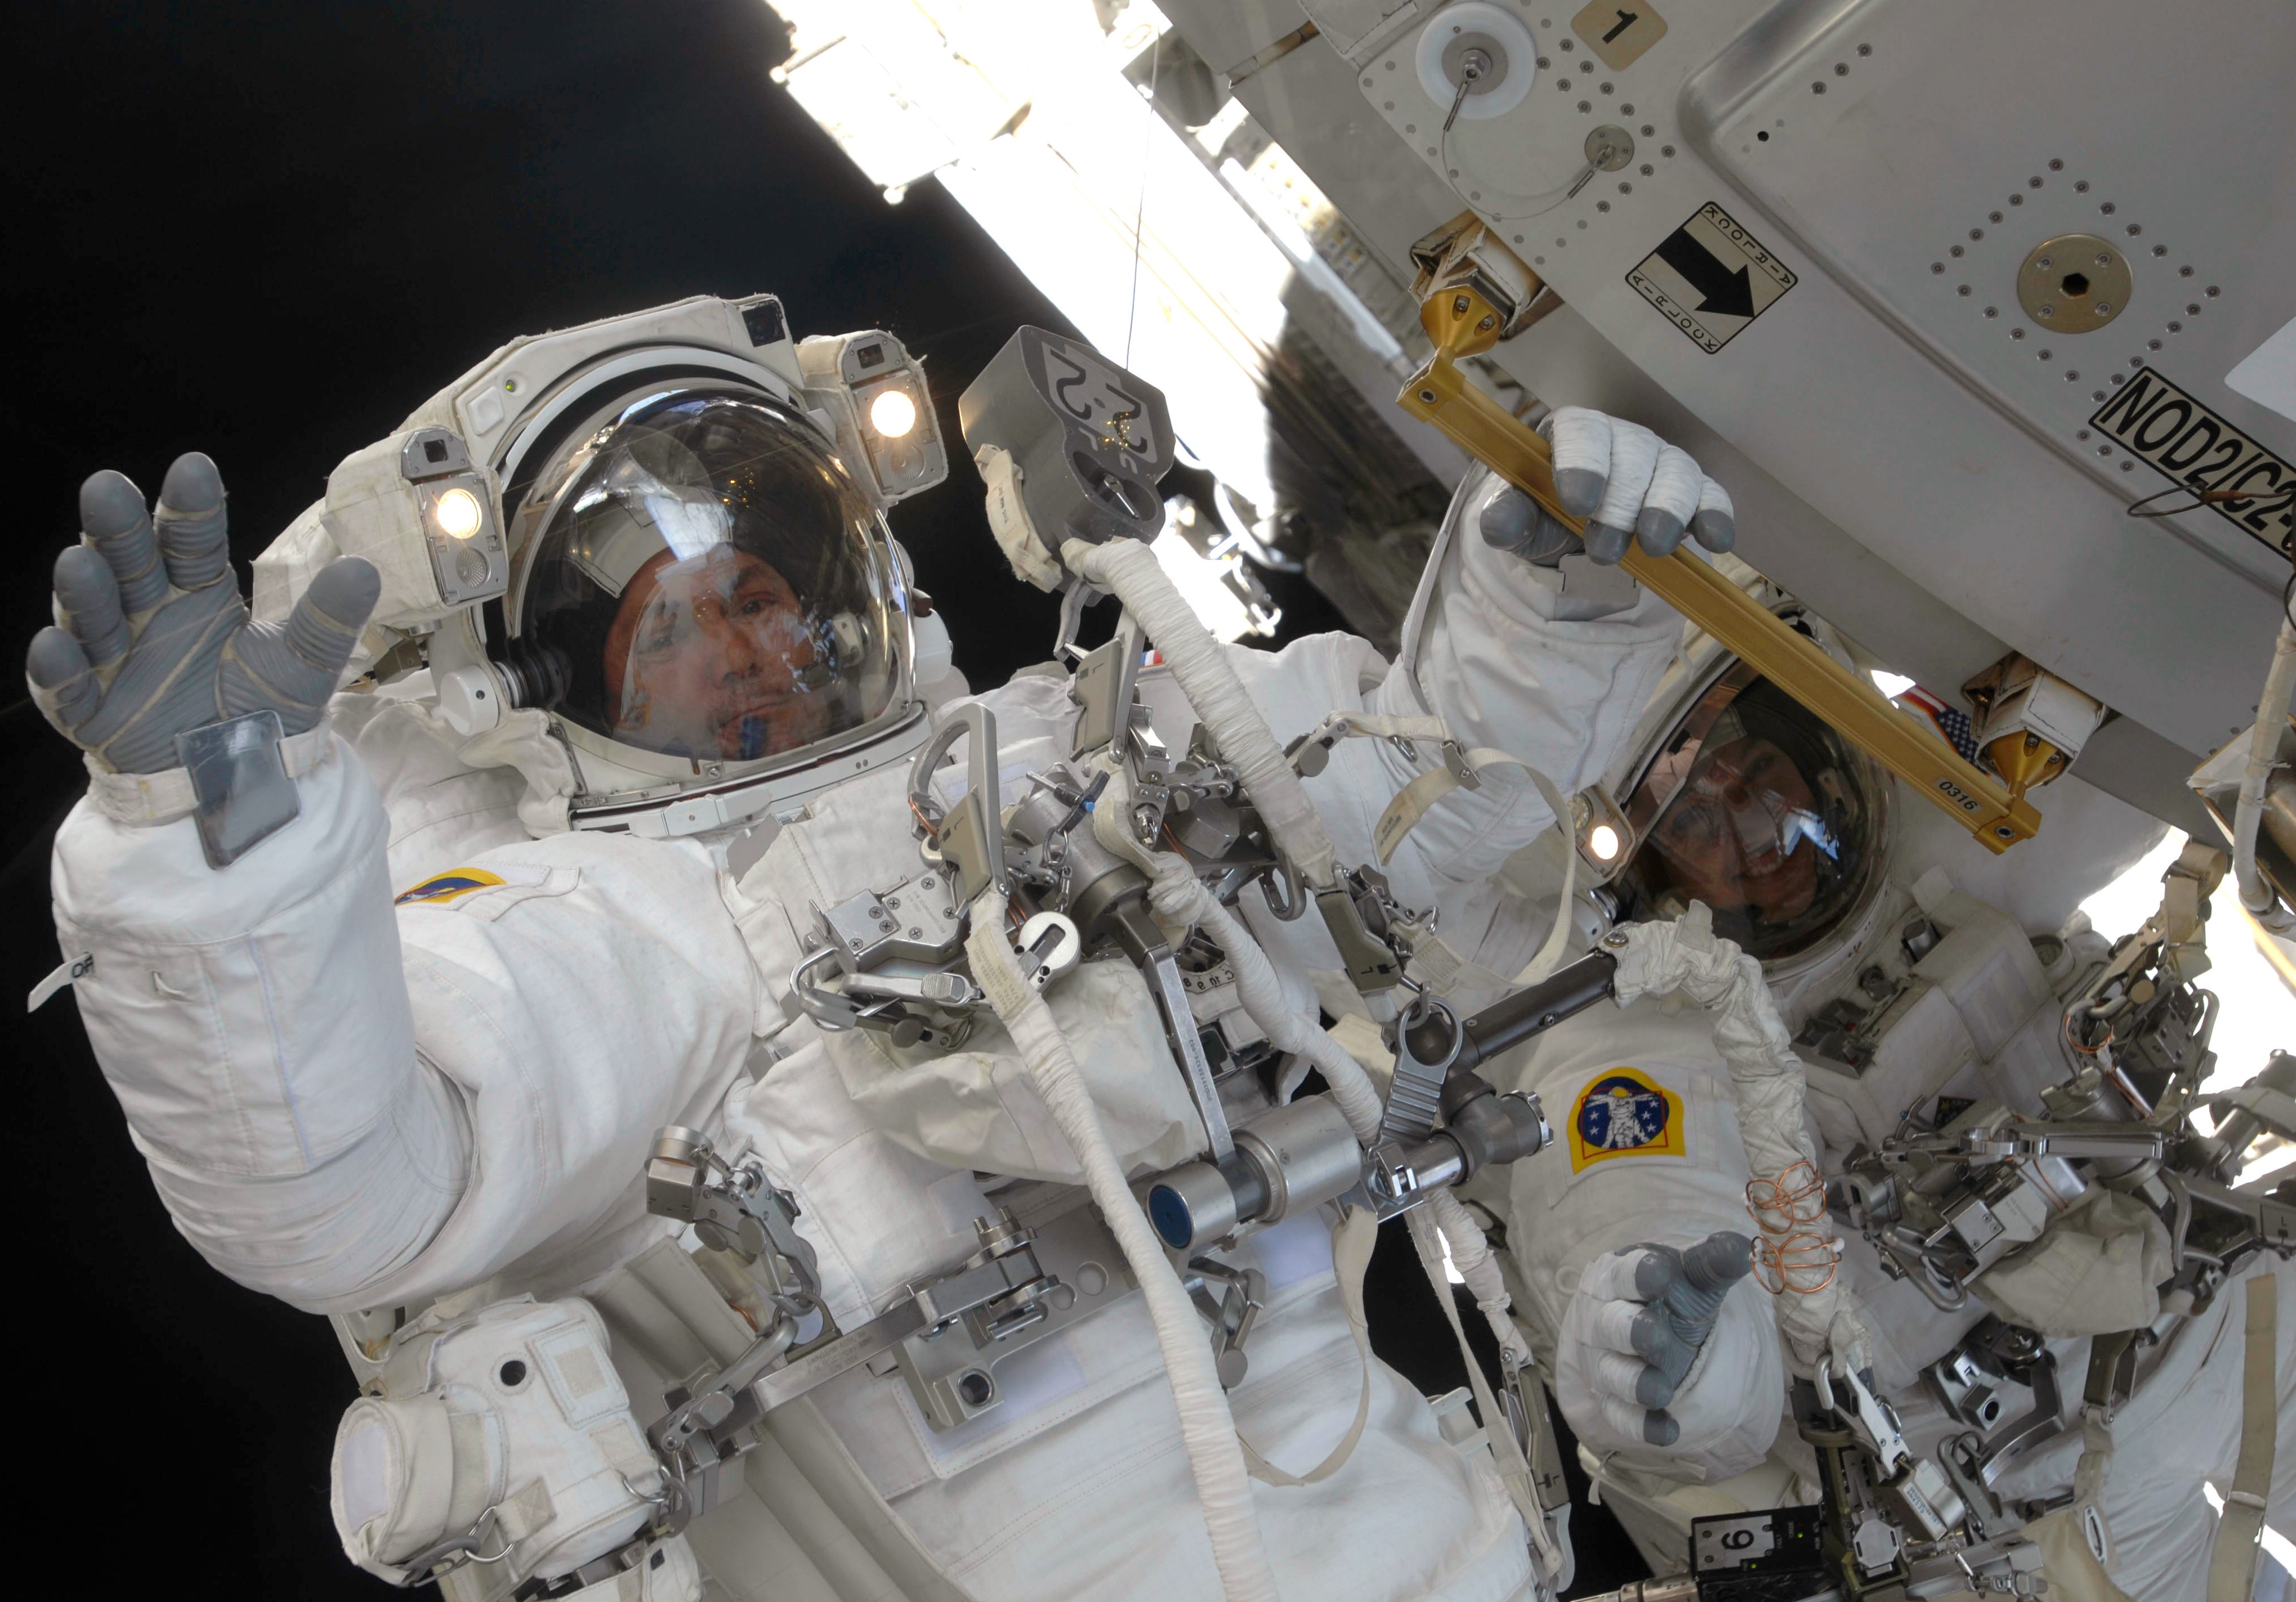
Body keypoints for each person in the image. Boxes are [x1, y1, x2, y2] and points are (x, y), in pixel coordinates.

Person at [25, 293, 1739, 1602]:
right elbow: (346, 1189)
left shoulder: (1061, 746)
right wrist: (211, 849)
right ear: (557, 687)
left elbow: (1413, 834)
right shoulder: (611, 931)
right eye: (673, 624)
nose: (748, 640)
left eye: (766, 589)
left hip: (1419, 1546)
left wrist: (1544, 603)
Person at [1459, 470, 2296, 1602]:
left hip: (2214, 1308)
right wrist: (1671, 1357)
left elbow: (2157, 661)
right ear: (1649, 875)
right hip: (2041, 1494)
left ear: (1818, 748)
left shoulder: (1946, 826)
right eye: (1698, 823)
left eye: (1757, 775)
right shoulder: (1636, 1050)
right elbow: (1647, 1253)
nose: (1757, 831)